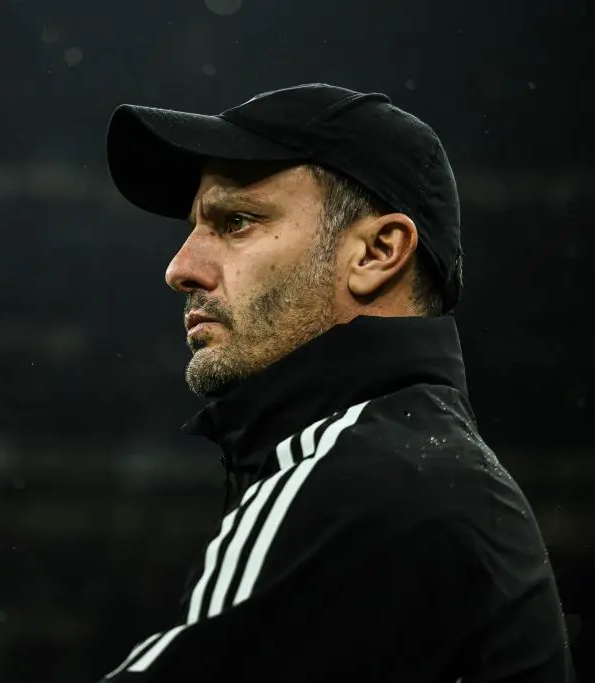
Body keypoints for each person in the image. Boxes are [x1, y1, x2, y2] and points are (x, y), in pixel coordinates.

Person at [99, 84, 575, 682]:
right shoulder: (422, 463)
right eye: (196, 226)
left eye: (237, 221)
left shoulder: (356, 484)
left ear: (377, 252)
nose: (180, 268)